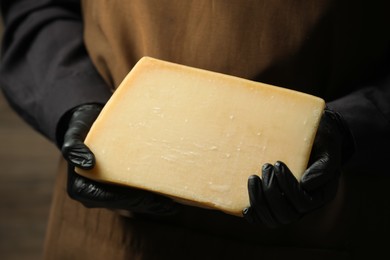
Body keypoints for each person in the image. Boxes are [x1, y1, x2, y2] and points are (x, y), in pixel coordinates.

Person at [1, 0, 389, 259]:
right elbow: (39, 5)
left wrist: (352, 127)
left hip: (330, 225)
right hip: (109, 236)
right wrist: (73, 104)